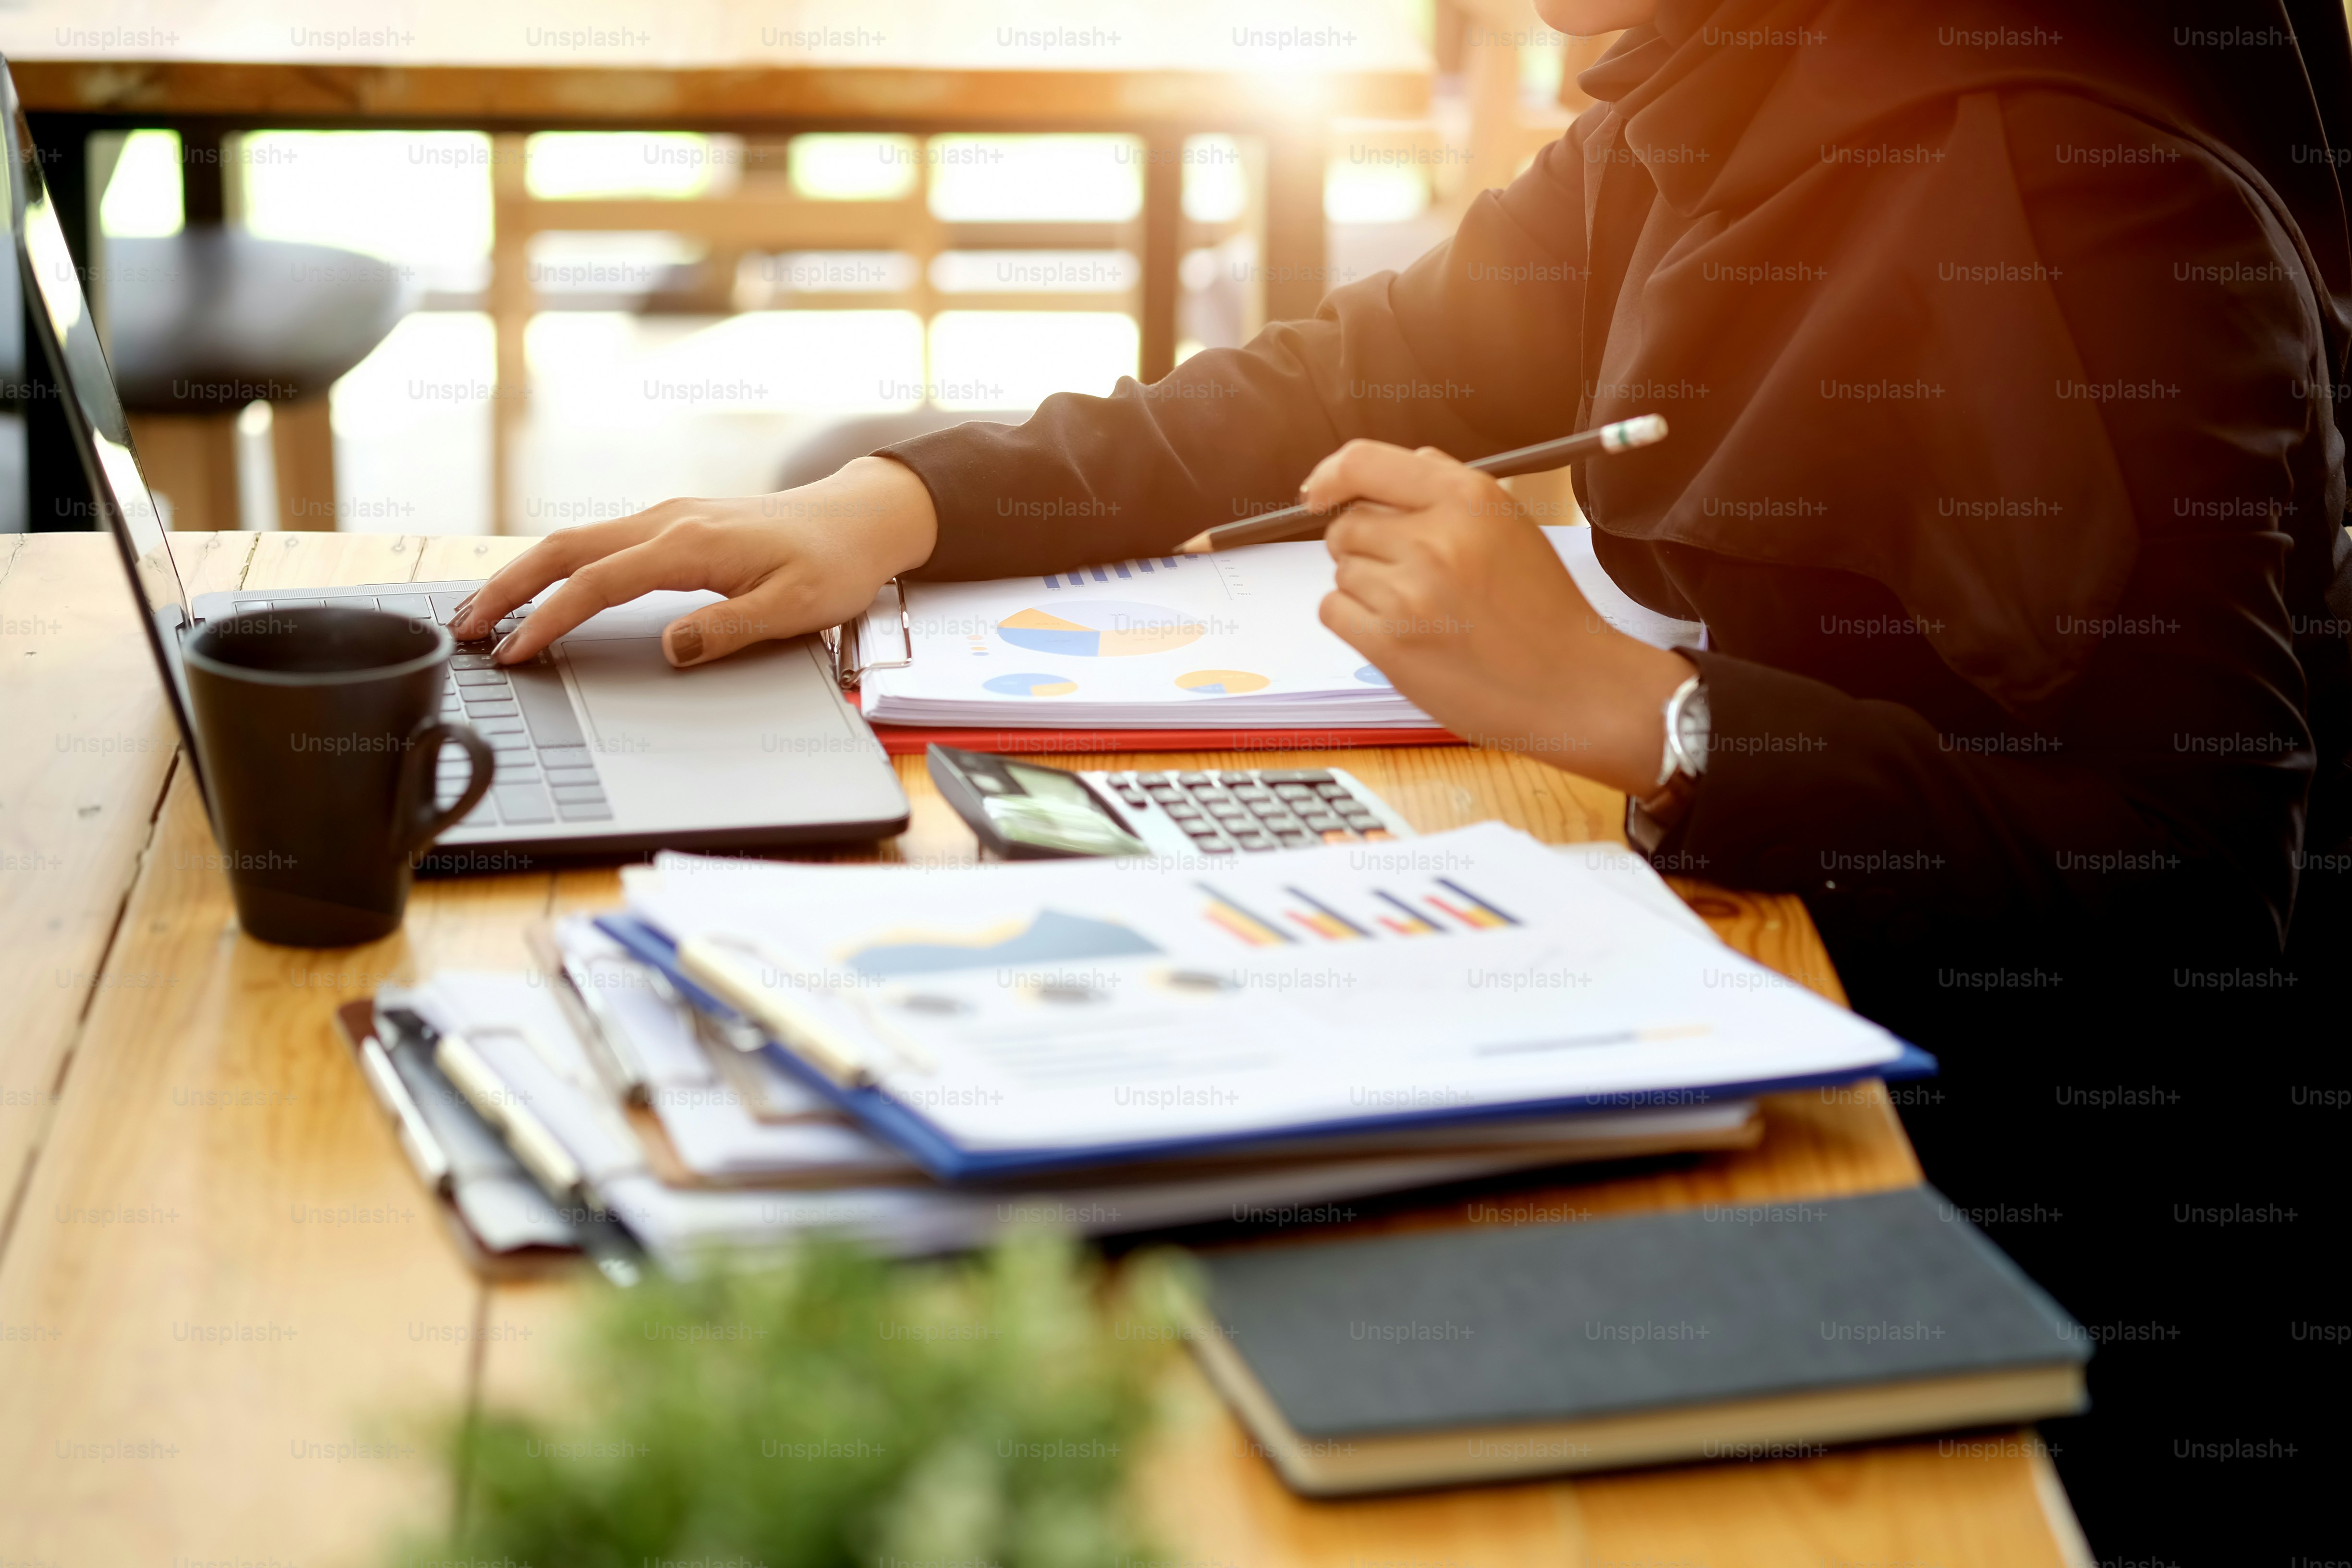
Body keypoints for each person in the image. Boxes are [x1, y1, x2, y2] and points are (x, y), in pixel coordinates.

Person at [455, 1, 2350, 1552]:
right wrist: (892, 504)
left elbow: (2196, 887)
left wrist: (1646, 712)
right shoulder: (1722, 81)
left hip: (1994, 1196)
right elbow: (1352, 370)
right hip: (1763, 968)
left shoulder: (2102, 196)